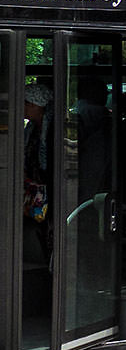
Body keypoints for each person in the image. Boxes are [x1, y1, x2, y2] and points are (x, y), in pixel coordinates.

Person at [20, 83, 52, 261]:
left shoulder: (53, 129)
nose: (22, 108)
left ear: (35, 105)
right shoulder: (31, 127)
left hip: (48, 186)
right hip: (34, 185)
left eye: (25, 103)